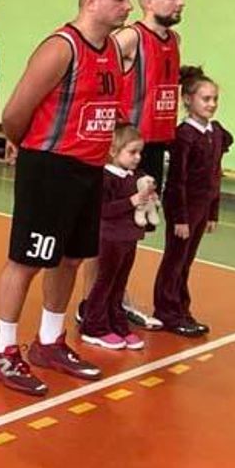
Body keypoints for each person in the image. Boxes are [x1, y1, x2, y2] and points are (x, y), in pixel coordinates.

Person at [0, 0, 132, 395]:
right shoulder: (61, 47)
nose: (128, 7)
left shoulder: (111, 50)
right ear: (91, 1)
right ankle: (3, 350)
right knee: (27, 260)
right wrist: (27, 147)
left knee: (70, 259)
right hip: (50, 168)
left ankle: (49, 341)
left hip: (89, 169)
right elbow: (15, 112)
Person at [115, 0, 184, 331]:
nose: (181, 2)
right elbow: (99, 74)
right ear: (150, 3)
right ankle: (97, 300)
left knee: (136, 229)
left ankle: (115, 297)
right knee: (113, 228)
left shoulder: (175, 40)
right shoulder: (129, 38)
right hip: (126, 149)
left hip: (156, 148)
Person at [150, 66, 231, 337]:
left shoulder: (215, 133)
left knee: (186, 261)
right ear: (187, 99)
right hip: (184, 209)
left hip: (202, 207)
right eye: (205, 99)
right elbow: (176, 181)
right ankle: (166, 311)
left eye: (215, 99)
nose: (212, 104)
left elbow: (215, 175)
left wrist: (213, 212)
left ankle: (181, 309)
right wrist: (180, 218)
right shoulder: (184, 135)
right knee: (175, 259)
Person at [78, 124, 154, 350]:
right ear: (113, 151)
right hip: (110, 238)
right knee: (105, 282)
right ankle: (93, 326)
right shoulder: (106, 177)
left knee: (120, 283)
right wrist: (131, 201)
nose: (137, 157)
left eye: (140, 152)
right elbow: (102, 210)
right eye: (132, 152)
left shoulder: (135, 177)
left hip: (129, 238)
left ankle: (116, 323)